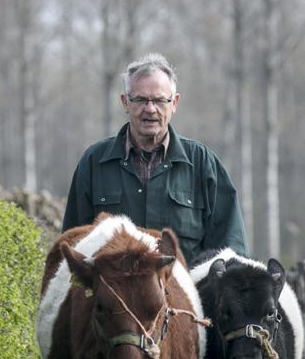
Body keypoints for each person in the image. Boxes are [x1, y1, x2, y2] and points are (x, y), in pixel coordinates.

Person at [62, 53, 249, 261]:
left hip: (187, 292)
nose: (150, 109)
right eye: (140, 99)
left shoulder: (203, 164)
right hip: (113, 292)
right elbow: (72, 248)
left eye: (159, 100)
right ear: (125, 102)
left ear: (174, 103)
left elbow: (232, 255)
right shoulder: (93, 163)